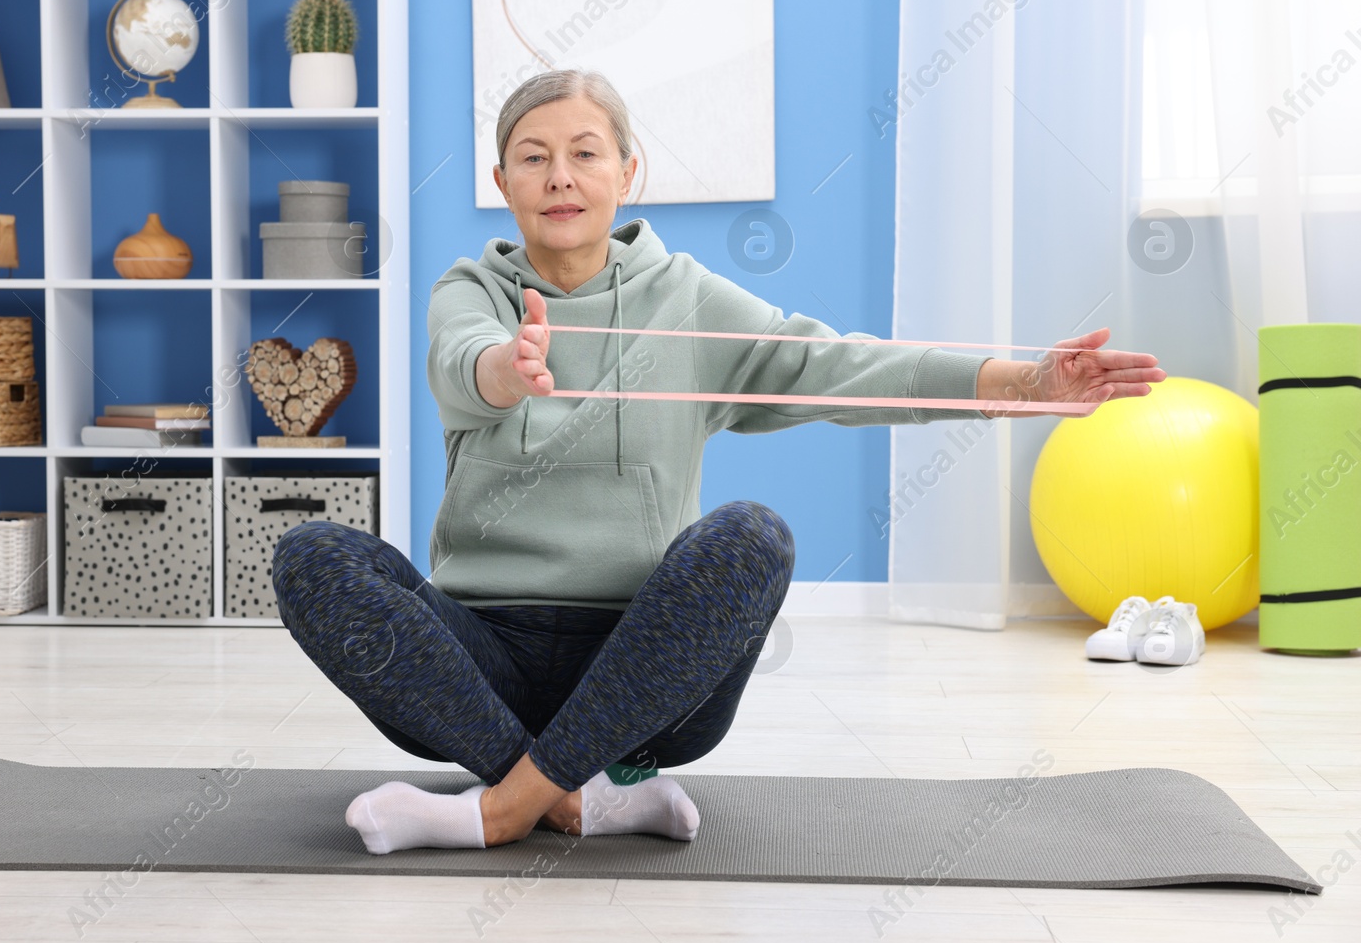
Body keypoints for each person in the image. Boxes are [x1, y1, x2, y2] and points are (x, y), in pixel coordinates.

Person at [273, 69, 1164, 855]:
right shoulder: (469, 291)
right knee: (312, 553)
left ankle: (498, 809)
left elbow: (839, 367)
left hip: (646, 671)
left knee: (754, 533)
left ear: (628, 173)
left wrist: (1026, 379)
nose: (560, 176)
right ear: (501, 182)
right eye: (533, 157)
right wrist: (509, 369)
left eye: (585, 153)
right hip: (478, 662)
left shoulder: (688, 298)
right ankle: (576, 798)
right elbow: (464, 359)